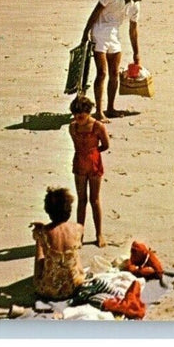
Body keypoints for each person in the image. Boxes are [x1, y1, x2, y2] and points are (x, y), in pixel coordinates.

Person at [80, 0, 149, 121]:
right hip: (99, 32)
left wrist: (136, 52)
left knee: (114, 73)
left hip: (114, 35)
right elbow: (95, 12)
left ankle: (110, 108)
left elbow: (133, 29)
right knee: (102, 73)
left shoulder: (135, 6)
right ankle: (99, 111)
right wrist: (85, 33)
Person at [68, 95, 110, 246]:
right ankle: (80, 234)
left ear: (88, 112)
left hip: (94, 164)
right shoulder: (73, 127)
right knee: (81, 200)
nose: (79, 117)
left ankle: (99, 234)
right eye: (76, 114)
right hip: (79, 163)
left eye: (82, 114)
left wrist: (93, 153)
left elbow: (105, 145)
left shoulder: (97, 126)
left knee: (95, 200)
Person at [31, 187, 86, 300]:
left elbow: (41, 256)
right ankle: (79, 273)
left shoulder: (44, 232)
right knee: (73, 253)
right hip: (73, 287)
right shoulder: (78, 228)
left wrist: (39, 233)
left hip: (48, 290)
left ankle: (39, 278)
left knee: (41, 253)